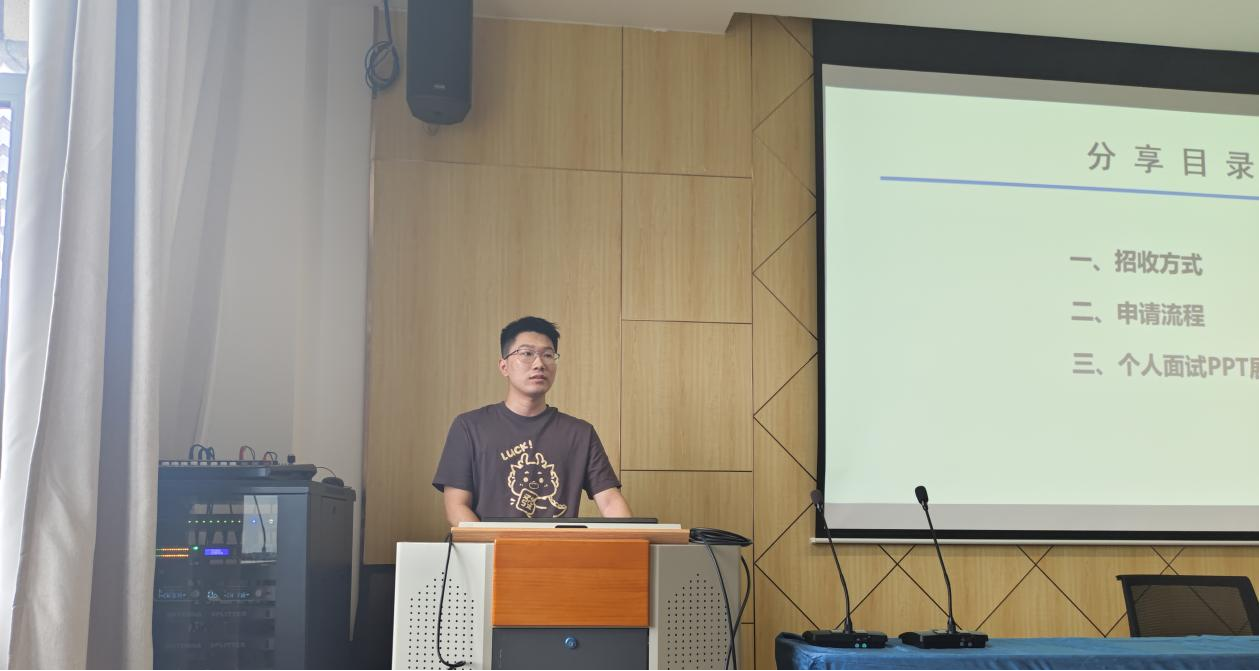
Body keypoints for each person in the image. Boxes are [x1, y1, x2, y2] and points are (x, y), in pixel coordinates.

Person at [432, 316, 632, 525]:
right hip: (490, 545)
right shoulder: (469, 427)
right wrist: (493, 543)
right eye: (527, 354)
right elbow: (457, 506)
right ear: (504, 366)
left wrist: (634, 538)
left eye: (548, 355)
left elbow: (610, 502)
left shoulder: (580, 433)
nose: (539, 364)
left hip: (557, 546)